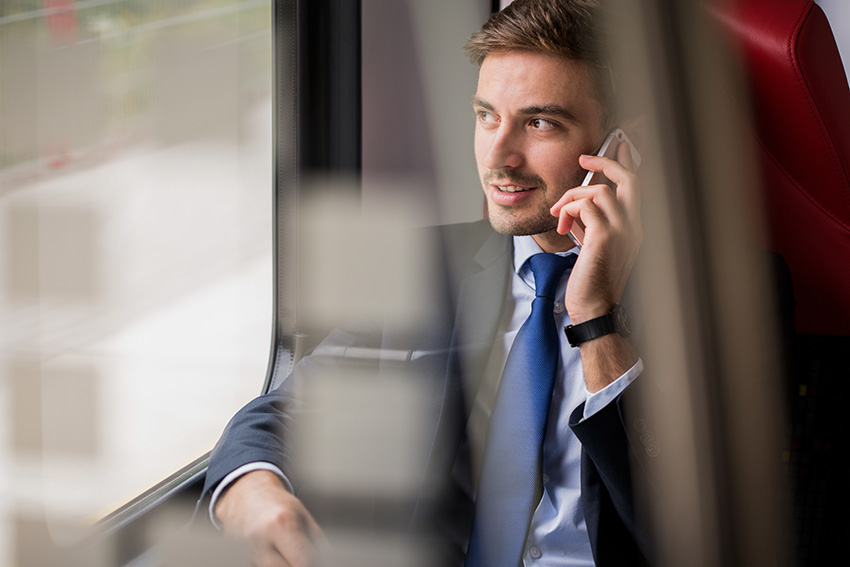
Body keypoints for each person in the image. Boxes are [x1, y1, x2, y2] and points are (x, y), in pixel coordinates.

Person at [201, 1, 654, 565]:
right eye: (487, 116)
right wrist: (253, 492)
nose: (499, 156)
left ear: (621, 147)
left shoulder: (719, 300)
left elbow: (685, 532)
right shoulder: (428, 265)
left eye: (540, 123)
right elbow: (283, 412)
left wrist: (597, 316)